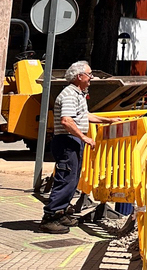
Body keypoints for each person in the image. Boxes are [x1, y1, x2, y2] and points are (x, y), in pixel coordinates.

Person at [40, 61, 119, 234]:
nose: (92, 78)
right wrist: (84, 137)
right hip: (67, 141)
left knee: (72, 179)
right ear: (79, 77)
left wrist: (109, 120)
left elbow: (85, 115)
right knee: (66, 178)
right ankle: (50, 216)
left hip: (72, 141)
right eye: (89, 74)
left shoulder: (78, 94)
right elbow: (66, 120)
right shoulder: (69, 94)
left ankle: (61, 212)